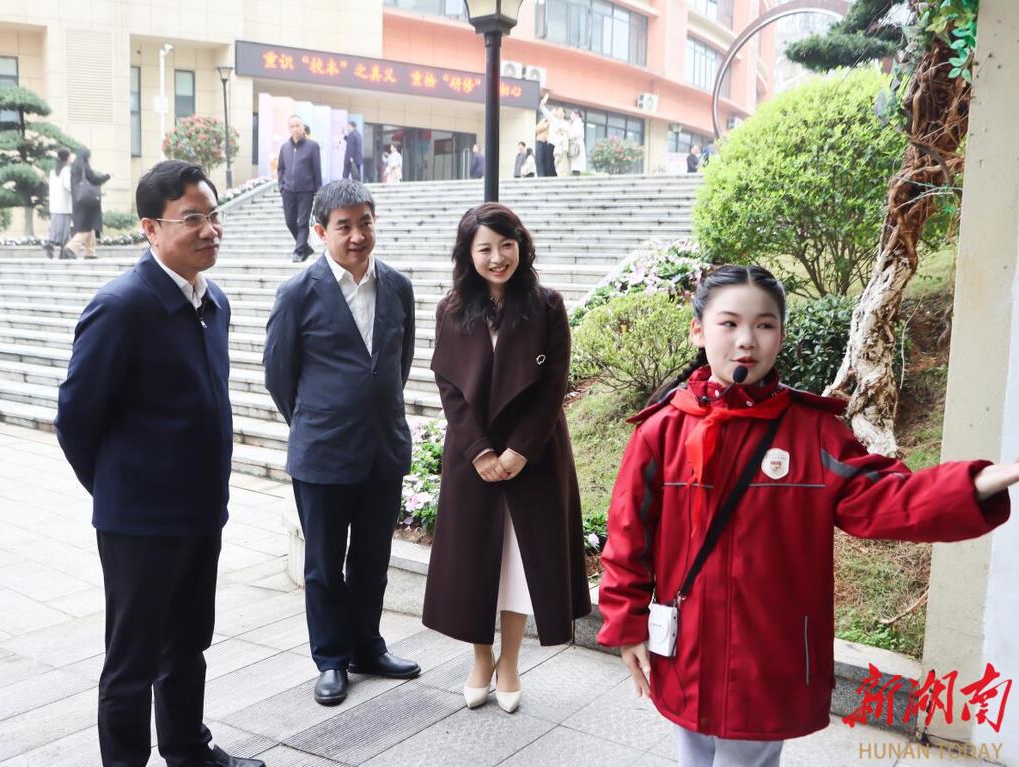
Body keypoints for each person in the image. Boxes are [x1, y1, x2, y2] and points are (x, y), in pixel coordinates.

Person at [597, 264, 1015, 767]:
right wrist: (626, 626)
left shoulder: (811, 432)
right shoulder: (662, 431)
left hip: (767, 653)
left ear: (780, 335)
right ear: (698, 330)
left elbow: (886, 498)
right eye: (729, 323)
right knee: (692, 750)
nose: (746, 340)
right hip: (686, 646)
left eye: (764, 324)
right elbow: (628, 539)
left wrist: (986, 481)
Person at [55, 161, 263, 767]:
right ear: (150, 227)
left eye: (213, 215)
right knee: (132, 660)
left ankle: (187, 748)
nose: (210, 229)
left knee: (189, 642)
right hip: (140, 523)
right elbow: (76, 420)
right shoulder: (121, 306)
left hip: (201, 512)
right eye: (192, 218)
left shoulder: (213, 301)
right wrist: (119, 491)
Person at [422, 203, 591, 714]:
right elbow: (449, 386)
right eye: (485, 249)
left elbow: (554, 385)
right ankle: (481, 658)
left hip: (534, 455)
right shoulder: (451, 309)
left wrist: (519, 449)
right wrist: (479, 451)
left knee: (519, 562)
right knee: (477, 560)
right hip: (471, 455)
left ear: (521, 246)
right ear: (468, 254)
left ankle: (511, 661)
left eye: (506, 245)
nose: (497, 258)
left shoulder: (546, 305)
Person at [263, 179, 420, 707]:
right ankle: (331, 659)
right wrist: (318, 421)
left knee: (373, 561)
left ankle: (367, 647)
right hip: (323, 454)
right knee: (324, 567)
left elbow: (398, 364)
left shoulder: (397, 286)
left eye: (365, 223)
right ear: (320, 231)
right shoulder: (297, 293)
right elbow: (279, 376)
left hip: (383, 449)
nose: (357, 236)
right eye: (344, 226)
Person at [277, 115, 322, 262]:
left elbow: (317, 170)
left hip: (306, 190)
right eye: (292, 126)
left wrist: (319, 191)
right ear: (289, 129)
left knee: (302, 222)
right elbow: (281, 168)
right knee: (290, 222)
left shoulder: (312, 146)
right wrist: (281, 186)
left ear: (303, 127)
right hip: (288, 190)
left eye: (297, 125)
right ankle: (305, 246)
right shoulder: (285, 148)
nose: (295, 129)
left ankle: (299, 251)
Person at [68, 148, 110, 260]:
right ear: (86, 156)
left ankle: (90, 253)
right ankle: (70, 248)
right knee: (86, 228)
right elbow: (95, 180)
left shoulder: (74, 168)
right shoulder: (84, 167)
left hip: (79, 200)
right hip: (88, 202)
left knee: (90, 226)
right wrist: (108, 176)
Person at [45, 148, 73, 259]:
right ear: (67, 157)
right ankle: (52, 245)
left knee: (56, 227)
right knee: (64, 229)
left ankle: (62, 252)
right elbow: (68, 185)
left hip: (55, 204)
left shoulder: (53, 171)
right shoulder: (66, 170)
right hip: (64, 205)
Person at [540, 95, 570, 177]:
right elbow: (542, 108)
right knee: (549, 165)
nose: (559, 113)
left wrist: (562, 131)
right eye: (558, 112)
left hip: (561, 147)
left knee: (560, 167)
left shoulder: (566, 124)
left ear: (564, 114)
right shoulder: (553, 119)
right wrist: (544, 101)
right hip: (551, 145)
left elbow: (568, 135)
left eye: (561, 112)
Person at [568, 111, 587, 176]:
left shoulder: (577, 122)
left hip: (576, 146)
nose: (571, 116)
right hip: (576, 145)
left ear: (577, 115)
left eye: (572, 114)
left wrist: (568, 136)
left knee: (576, 166)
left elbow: (574, 134)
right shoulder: (576, 122)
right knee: (576, 166)